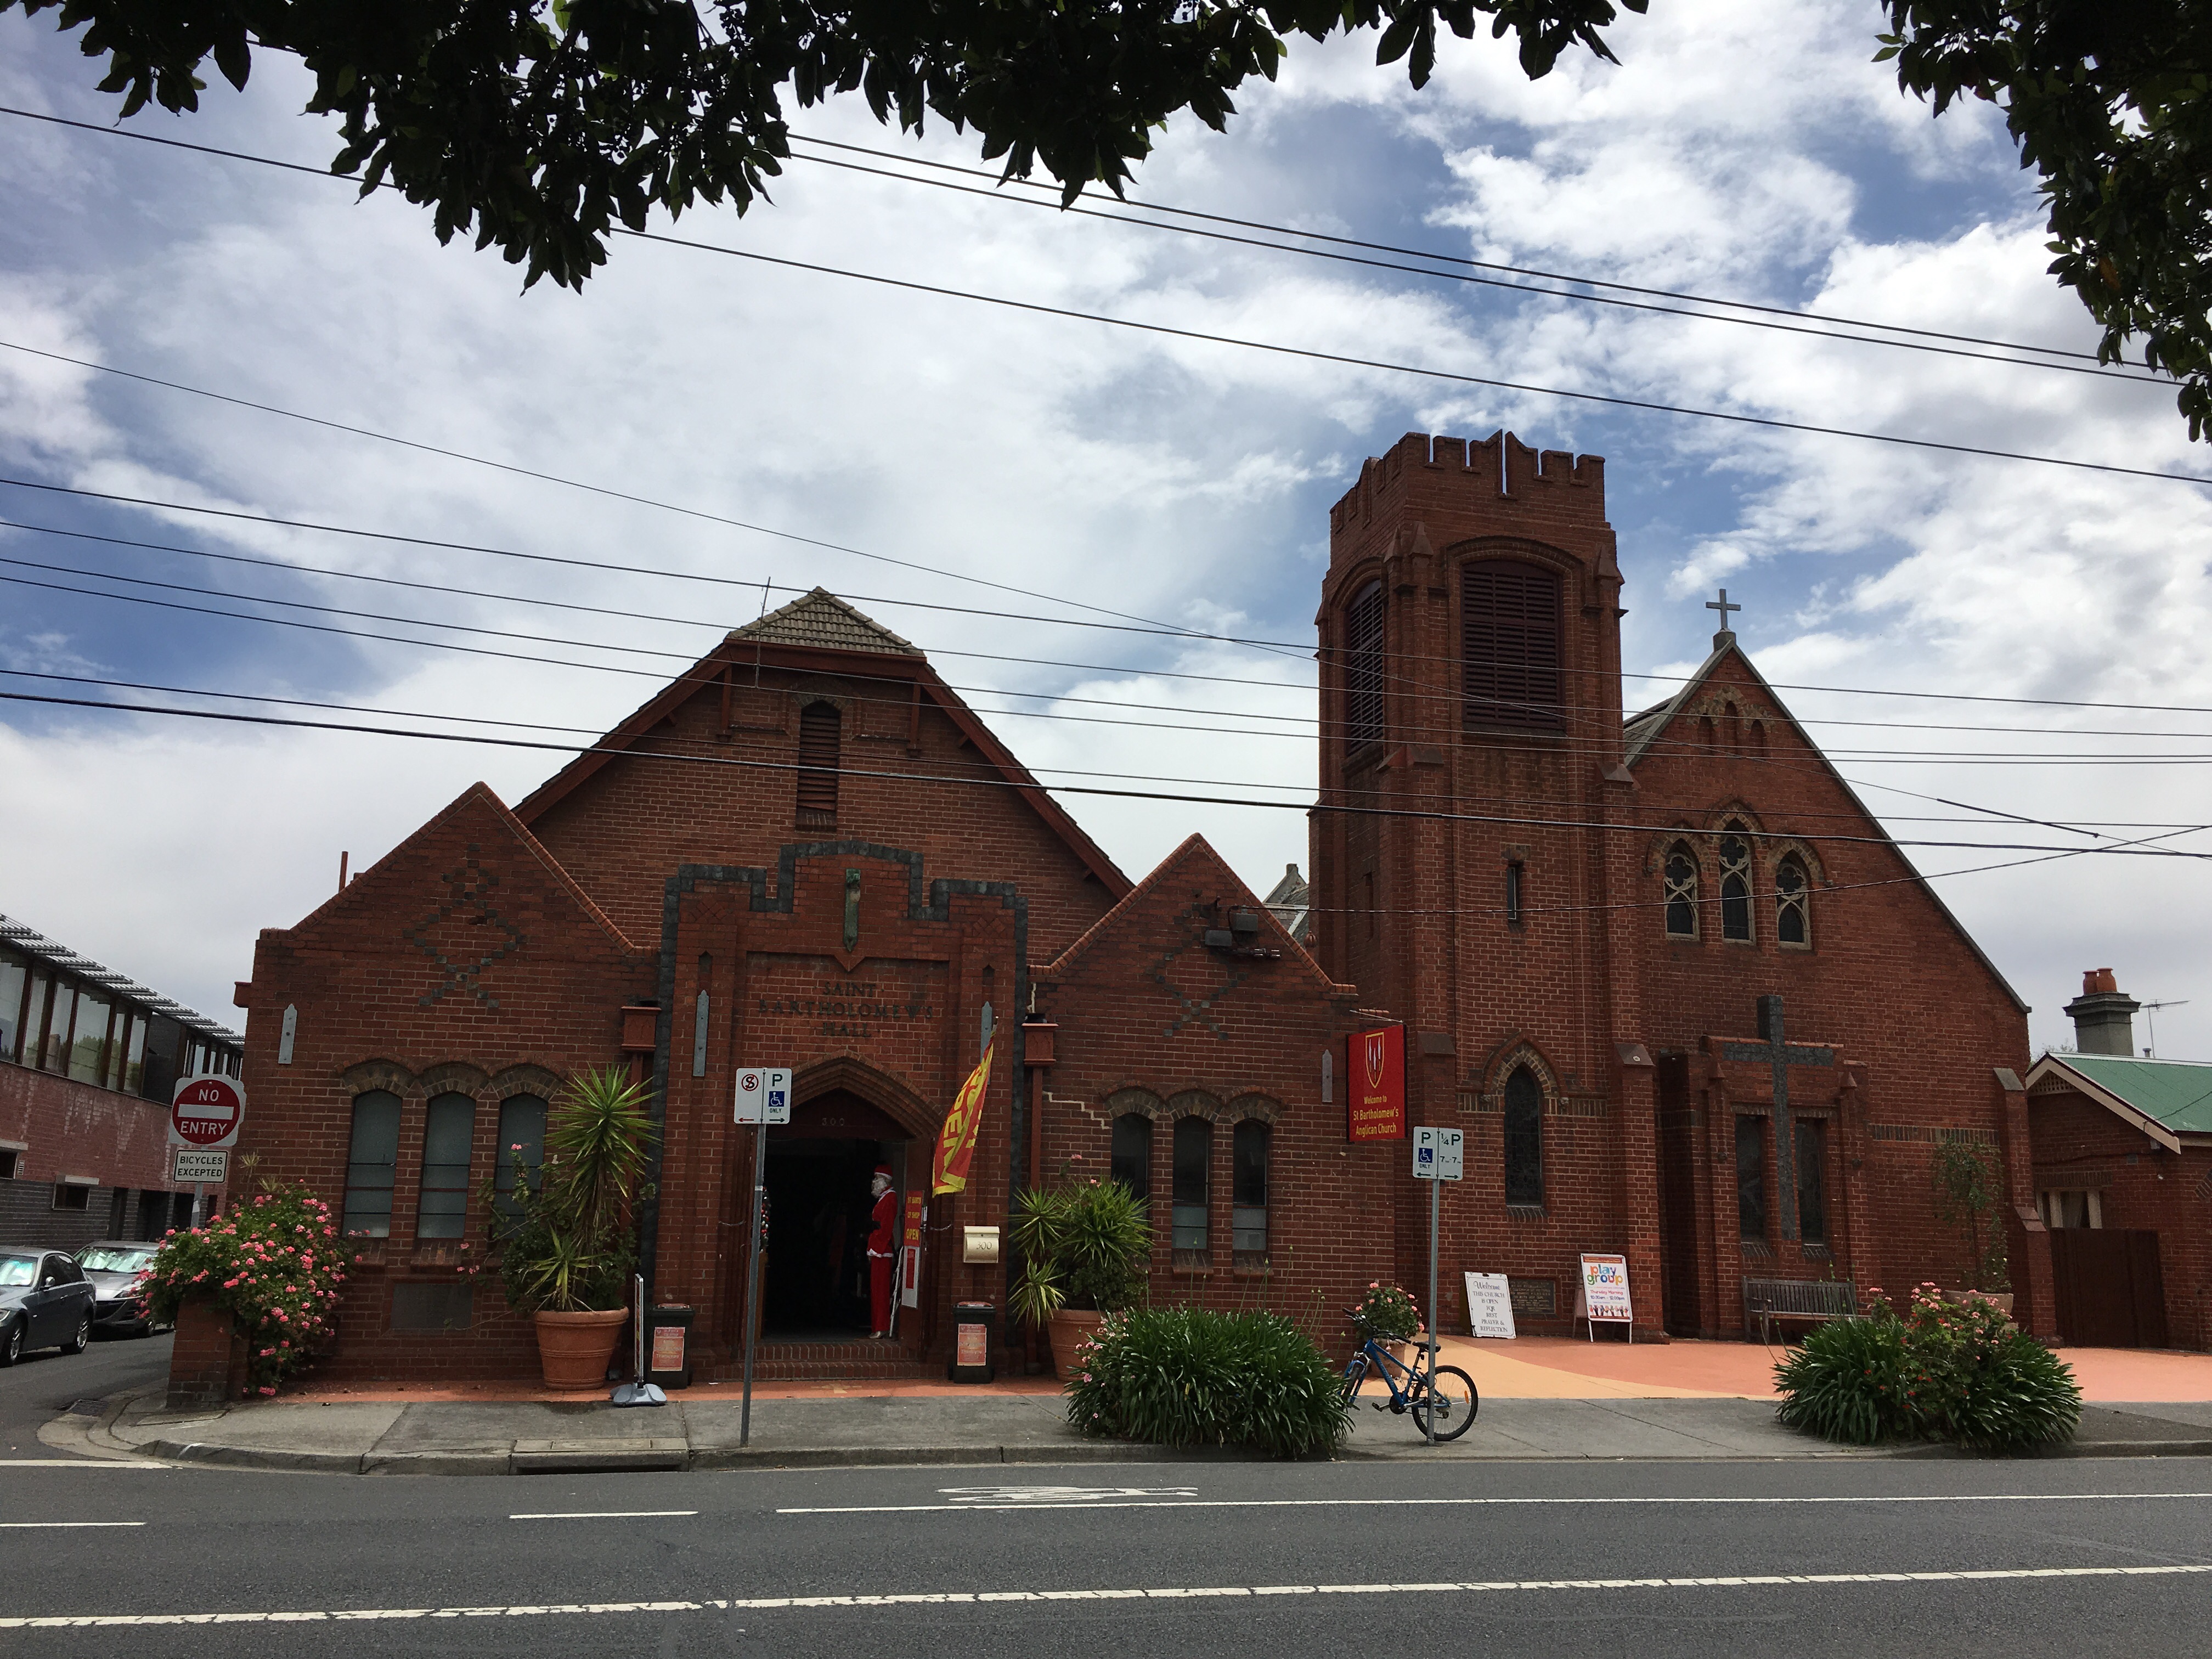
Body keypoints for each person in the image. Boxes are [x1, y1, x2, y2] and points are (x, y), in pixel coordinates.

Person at [866, 1165, 897, 1338]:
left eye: (877, 1178)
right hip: (877, 1248)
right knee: (876, 1290)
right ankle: (877, 1326)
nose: (874, 1182)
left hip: (882, 1249)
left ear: (884, 1180)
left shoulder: (890, 1199)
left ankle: (881, 1326)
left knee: (881, 1290)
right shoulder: (884, 1198)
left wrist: (876, 1248)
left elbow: (886, 1228)